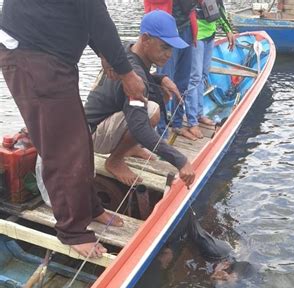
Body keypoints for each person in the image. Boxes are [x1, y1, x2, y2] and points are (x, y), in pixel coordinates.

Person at [0, 0, 146, 259]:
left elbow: (83, 13)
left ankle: (90, 208)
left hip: (50, 58)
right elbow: (96, 16)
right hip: (32, 56)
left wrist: (104, 52)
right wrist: (127, 74)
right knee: (62, 147)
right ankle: (73, 230)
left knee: (79, 137)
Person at [84, 10, 195, 189]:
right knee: (151, 111)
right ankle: (115, 160)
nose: (169, 54)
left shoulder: (127, 50)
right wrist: (180, 161)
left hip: (96, 124)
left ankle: (129, 147)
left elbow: (142, 76)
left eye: (171, 49)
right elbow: (140, 127)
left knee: (159, 95)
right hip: (92, 134)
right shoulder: (134, 75)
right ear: (145, 39)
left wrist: (160, 79)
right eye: (164, 47)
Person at [144, 0, 201, 141]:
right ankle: (161, 132)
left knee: (183, 81)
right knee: (163, 82)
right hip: (164, 31)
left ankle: (177, 123)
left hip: (186, 27)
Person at [185, 0, 235, 139]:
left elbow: (219, 9)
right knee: (194, 78)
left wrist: (228, 30)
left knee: (203, 75)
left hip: (210, 34)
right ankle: (192, 122)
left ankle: (200, 114)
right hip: (196, 35)